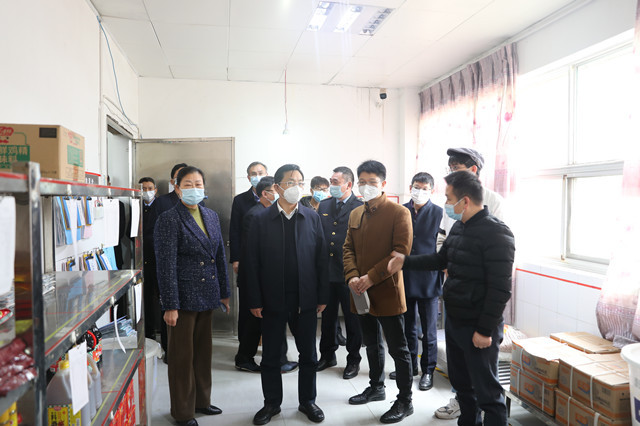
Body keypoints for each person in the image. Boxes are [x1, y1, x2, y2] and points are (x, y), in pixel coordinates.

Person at [388, 171, 515, 426]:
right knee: (463, 387)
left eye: (448, 198)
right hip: (455, 322)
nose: (446, 203)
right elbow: (440, 259)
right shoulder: (459, 227)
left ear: (465, 201)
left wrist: (484, 330)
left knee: (487, 393)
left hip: (478, 326)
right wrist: (405, 261)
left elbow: (500, 289)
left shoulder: (497, 233)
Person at [246, 164, 329, 425]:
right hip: (272, 298)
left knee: (309, 355)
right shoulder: (261, 219)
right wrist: (254, 299)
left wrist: (322, 296)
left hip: (305, 298)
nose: (296, 187)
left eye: (300, 182)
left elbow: (321, 260)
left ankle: (308, 401)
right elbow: (251, 263)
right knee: (271, 355)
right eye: (290, 182)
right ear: (277, 187)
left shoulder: (311, 217)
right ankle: (271, 403)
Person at [154, 166, 230, 426]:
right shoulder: (168, 219)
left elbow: (219, 256)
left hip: (207, 293)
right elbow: (166, 265)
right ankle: (183, 412)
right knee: (182, 358)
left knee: (203, 353)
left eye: (198, 184)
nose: (194, 189)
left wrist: (224, 292)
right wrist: (170, 305)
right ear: (176, 188)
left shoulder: (211, 215)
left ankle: (202, 401)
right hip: (182, 298)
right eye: (188, 184)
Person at [435, 147, 505, 420]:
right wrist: (447, 262)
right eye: (450, 167)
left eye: (456, 168)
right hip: (457, 303)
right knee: (463, 380)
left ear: (473, 170)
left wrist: (485, 329)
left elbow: (498, 278)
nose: (451, 172)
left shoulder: (493, 207)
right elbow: (443, 239)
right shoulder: (455, 211)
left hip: (478, 307)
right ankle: (463, 406)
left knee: (486, 388)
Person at [343, 160, 414, 424]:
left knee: (399, 349)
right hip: (360, 292)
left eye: (372, 182)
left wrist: (370, 278)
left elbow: (400, 254)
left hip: (387, 291)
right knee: (371, 343)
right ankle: (376, 387)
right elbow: (347, 248)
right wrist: (352, 276)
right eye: (362, 182)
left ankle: (405, 400)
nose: (366, 186)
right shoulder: (355, 214)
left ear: (383, 183)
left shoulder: (398, 213)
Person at [235, 177, 297, 374]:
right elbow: (253, 253)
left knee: (258, 322)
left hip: (264, 278)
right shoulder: (256, 215)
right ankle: (261, 359)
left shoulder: (266, 213)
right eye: (276, 190)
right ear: (265, 193)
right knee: (259, 321)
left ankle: (249, 358)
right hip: (258, 278)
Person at [387, 172, 442, 392]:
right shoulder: (401, 211)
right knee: (407, 326)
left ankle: (428, 370)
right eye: (416, 187)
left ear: (432, 190)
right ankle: (410, 367)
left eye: (425, 188)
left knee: (429, 331)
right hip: (406, 276)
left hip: (429, 278)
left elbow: (442, 246)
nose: (420, 192)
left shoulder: (439, 213)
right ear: (410, 188)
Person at [317, 166, 363, 379]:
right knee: (327, 318)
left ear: (348, 184)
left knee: (353, 320)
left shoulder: (359, 207)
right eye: (331, 181)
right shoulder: (325, 205)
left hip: (349, 273)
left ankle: (353, 360)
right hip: (326, 272)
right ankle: (327, 355)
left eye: (336, 182)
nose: (332, 185)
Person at [146, 163, 190, 360]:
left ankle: (187, 350)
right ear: (173, 181)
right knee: (169, 307)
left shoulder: (199, 203)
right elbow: (150, 234)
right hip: (167, 265)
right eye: (180, 177)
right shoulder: (162, 202)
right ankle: (170, 350)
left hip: (190, 269)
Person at [229, 161, 268, 275]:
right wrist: (236, 259)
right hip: (247, 253)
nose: (257, 177)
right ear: (248, 178)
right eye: (254, 174)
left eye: (260, 173)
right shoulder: (240, 200)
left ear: (267, 175)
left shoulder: (275, 198)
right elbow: (235, 231)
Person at [139, 177, 160, 344]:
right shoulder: (136, 206)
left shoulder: (161, 206)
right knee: (145, 296)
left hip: (158, 258)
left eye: (150, 188)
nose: (147, 192)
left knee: (160, 295)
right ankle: (148, 332)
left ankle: (162, 330)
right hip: (142, 258)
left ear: (156, 190)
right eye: (143, 188)